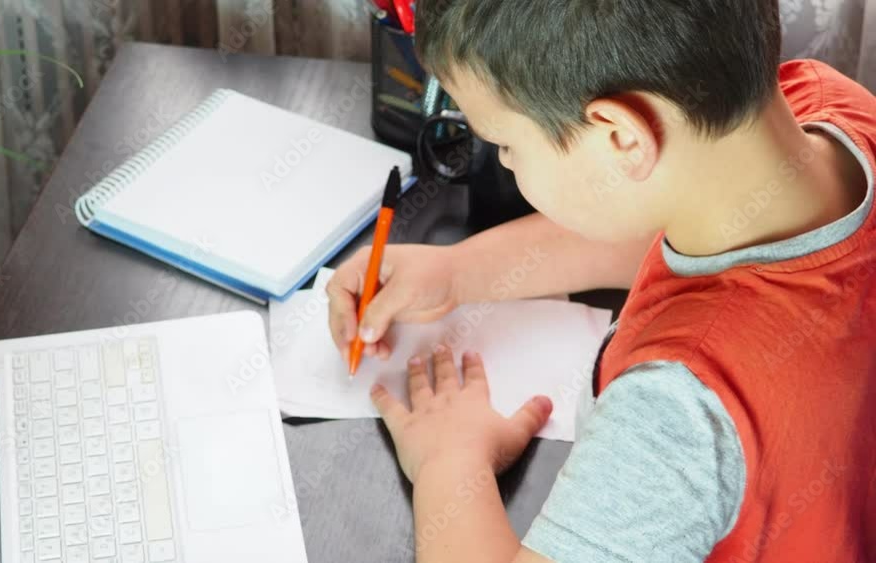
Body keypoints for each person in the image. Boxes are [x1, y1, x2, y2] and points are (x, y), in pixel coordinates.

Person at [326, 2, 876, 561]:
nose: (504, 160)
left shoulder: (677, 412)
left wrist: (450, 460)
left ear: (622, 138)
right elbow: (672, 217)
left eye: (506, 145)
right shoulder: (829, 107)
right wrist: (460, 271)